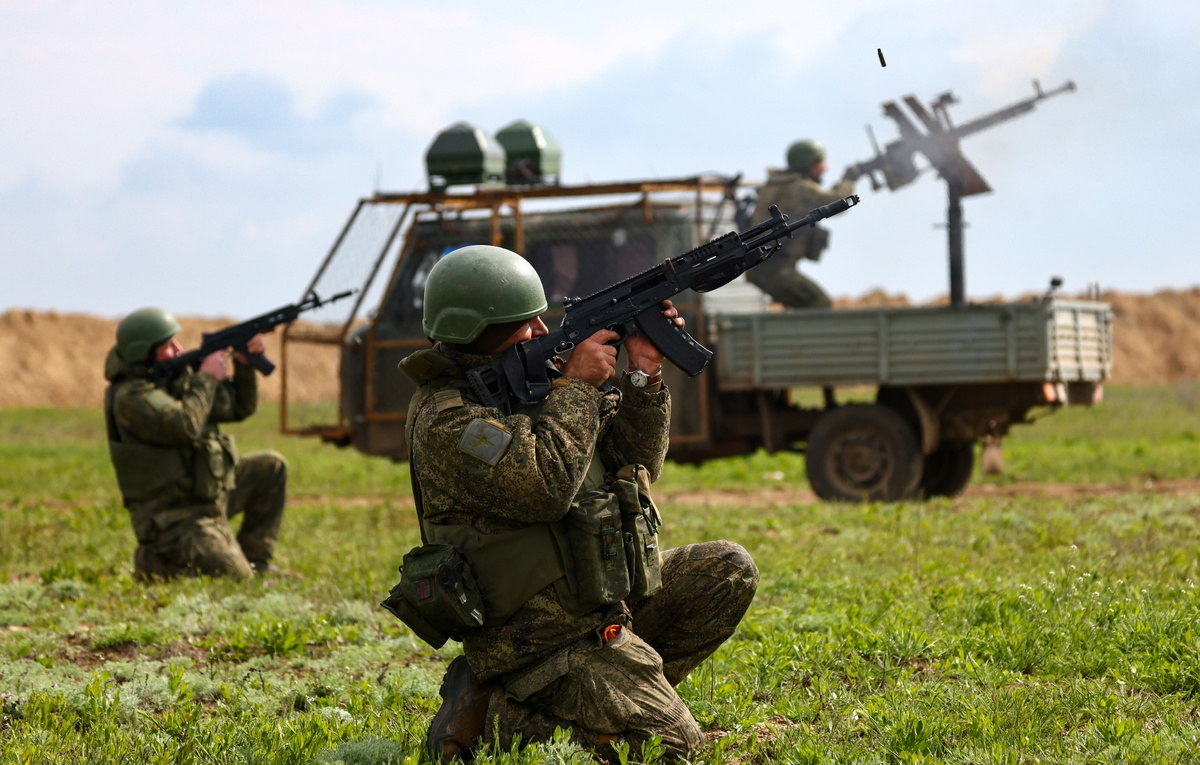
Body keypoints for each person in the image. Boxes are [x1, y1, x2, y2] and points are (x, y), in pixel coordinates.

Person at [397, 244, 759, 762]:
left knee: (727, 570)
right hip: (535, 642)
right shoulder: (447, 420)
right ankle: (499, 714)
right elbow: (545, 487)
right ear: (479, 331)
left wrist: (644, 375)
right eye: (525, 323)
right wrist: (578, 387)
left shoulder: (537, 384)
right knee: (670, 747)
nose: (543, 332)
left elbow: (637, 464)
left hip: (604, 600)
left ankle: (614, 698)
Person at [103, 307, 288, 579]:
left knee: (271, 467)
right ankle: (155, 561)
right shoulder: (131, 397)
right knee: (235, 577)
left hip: (207, 498)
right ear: (144, 352)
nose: (178, 349)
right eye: (168, 346)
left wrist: (245, 367)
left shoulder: (173, 381)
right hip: (173, 518)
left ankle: (257, 563)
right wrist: (205, 378)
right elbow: (184, 426)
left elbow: (239, 408)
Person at [746, 139, 861, 308]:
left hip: (764, 269)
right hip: (776, 270)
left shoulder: (777, 184)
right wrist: (850, 178)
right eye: (820, 163)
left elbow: (822, 198)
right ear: (808, 163)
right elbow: (835, 201)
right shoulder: (798, 187)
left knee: (804, 306)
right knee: (820, 304)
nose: (825, 168)